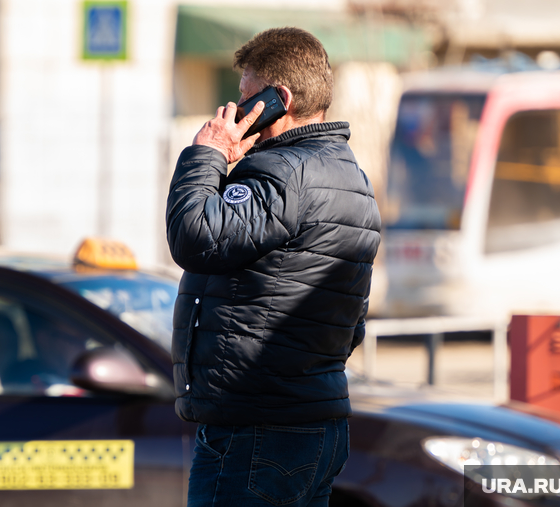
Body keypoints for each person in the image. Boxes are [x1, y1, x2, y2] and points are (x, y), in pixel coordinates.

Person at [165, 27, 381, 507]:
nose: (238, 111)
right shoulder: (352, 178)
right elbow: (350, 324)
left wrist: (208, 155)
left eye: (246, 98)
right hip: (316, 424)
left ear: (279, 99)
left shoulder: (280, 173)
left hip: (256, 430)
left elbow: (194, 237)